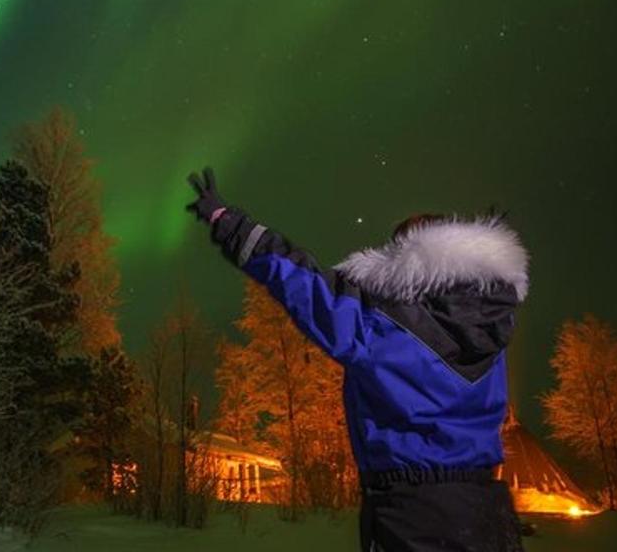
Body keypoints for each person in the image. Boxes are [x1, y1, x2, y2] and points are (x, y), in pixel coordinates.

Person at [186, 166, 527, 552]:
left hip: (414, 514)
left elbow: (302, 282)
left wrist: (227, 223)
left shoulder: (383, 327)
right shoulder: (492, 328)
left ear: (407, 261)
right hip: (487, 509)